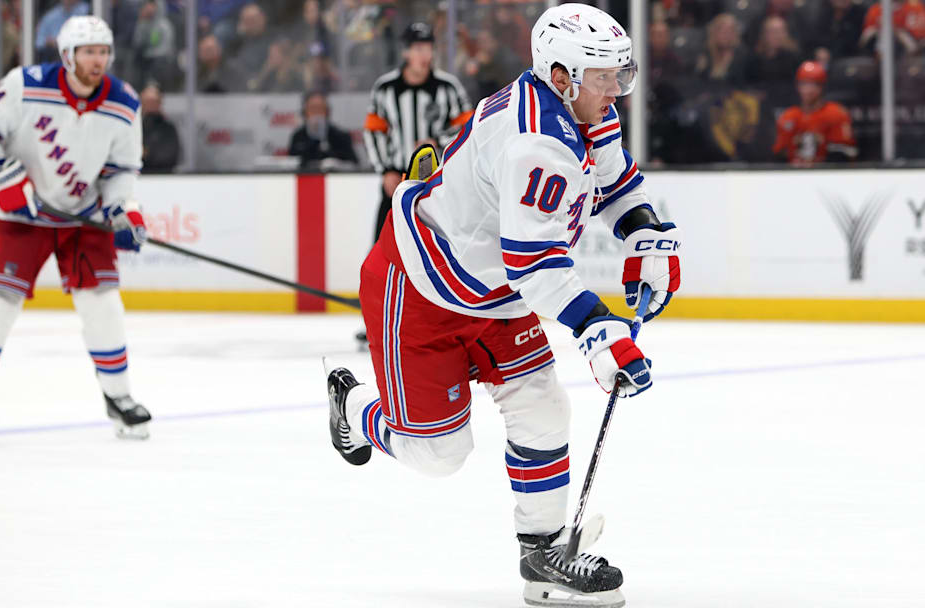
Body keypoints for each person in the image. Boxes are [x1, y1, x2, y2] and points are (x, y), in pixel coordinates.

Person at [324, 5, 682, 607]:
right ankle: (353, 407)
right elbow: (535, 263)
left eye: (621, 75)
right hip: (420, 289)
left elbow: (617, 184)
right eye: (604, 77)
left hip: (499, 292)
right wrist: (597, 329)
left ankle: (542, 558)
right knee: (438, 455)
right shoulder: (537, 143)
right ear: (563, 75)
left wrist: (642, 232)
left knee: (543, 406)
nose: (616, 90)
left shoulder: (584, 109)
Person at [0, 15, 152, 445]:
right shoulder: (26, 86)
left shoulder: (124, 103)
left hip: (84, 218)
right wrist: (3, 177)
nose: (98, 61)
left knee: (103, 305)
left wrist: (123, 212)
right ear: (67, 55)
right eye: (89, 52)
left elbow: (120, 171)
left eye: (103, 52)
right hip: (24, 216)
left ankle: (118, 397)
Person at [362, 22, 472, 244]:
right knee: (385, 249)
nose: (425, 54)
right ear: (405, 51)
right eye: (418, 48)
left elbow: (469, 127)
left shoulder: (448, 87)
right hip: (397, 180)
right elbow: (373, 132)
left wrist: (438, 140)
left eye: (428, 47)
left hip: (438, 182)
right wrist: (384, 171)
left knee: (440, 249)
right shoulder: (385, 89)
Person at [773, 61, 857, 165]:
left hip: (827, 176)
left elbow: (845, 154)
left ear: (822, 87)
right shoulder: (788, 117)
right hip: (794, 176)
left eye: (813, 84)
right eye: (803, 83)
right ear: (797, 86)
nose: (807, 89)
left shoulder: (836, 113)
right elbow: (779, 155)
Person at [287, 90, 358, 168]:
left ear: (327, 112)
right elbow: (291, 164)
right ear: (305, 112)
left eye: (320, 108)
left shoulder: (341, 136)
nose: (317, 113)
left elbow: (354, 164)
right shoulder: (298, 137)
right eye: (313, 108)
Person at [140, 84, 181, 172]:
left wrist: (146, 152)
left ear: (159, 103)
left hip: (163, 177)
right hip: (139, 177)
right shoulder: (135, 127)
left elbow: (170, 155)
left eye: (153, 102)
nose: (150, 106)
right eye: (147, 102)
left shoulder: (168, 128)